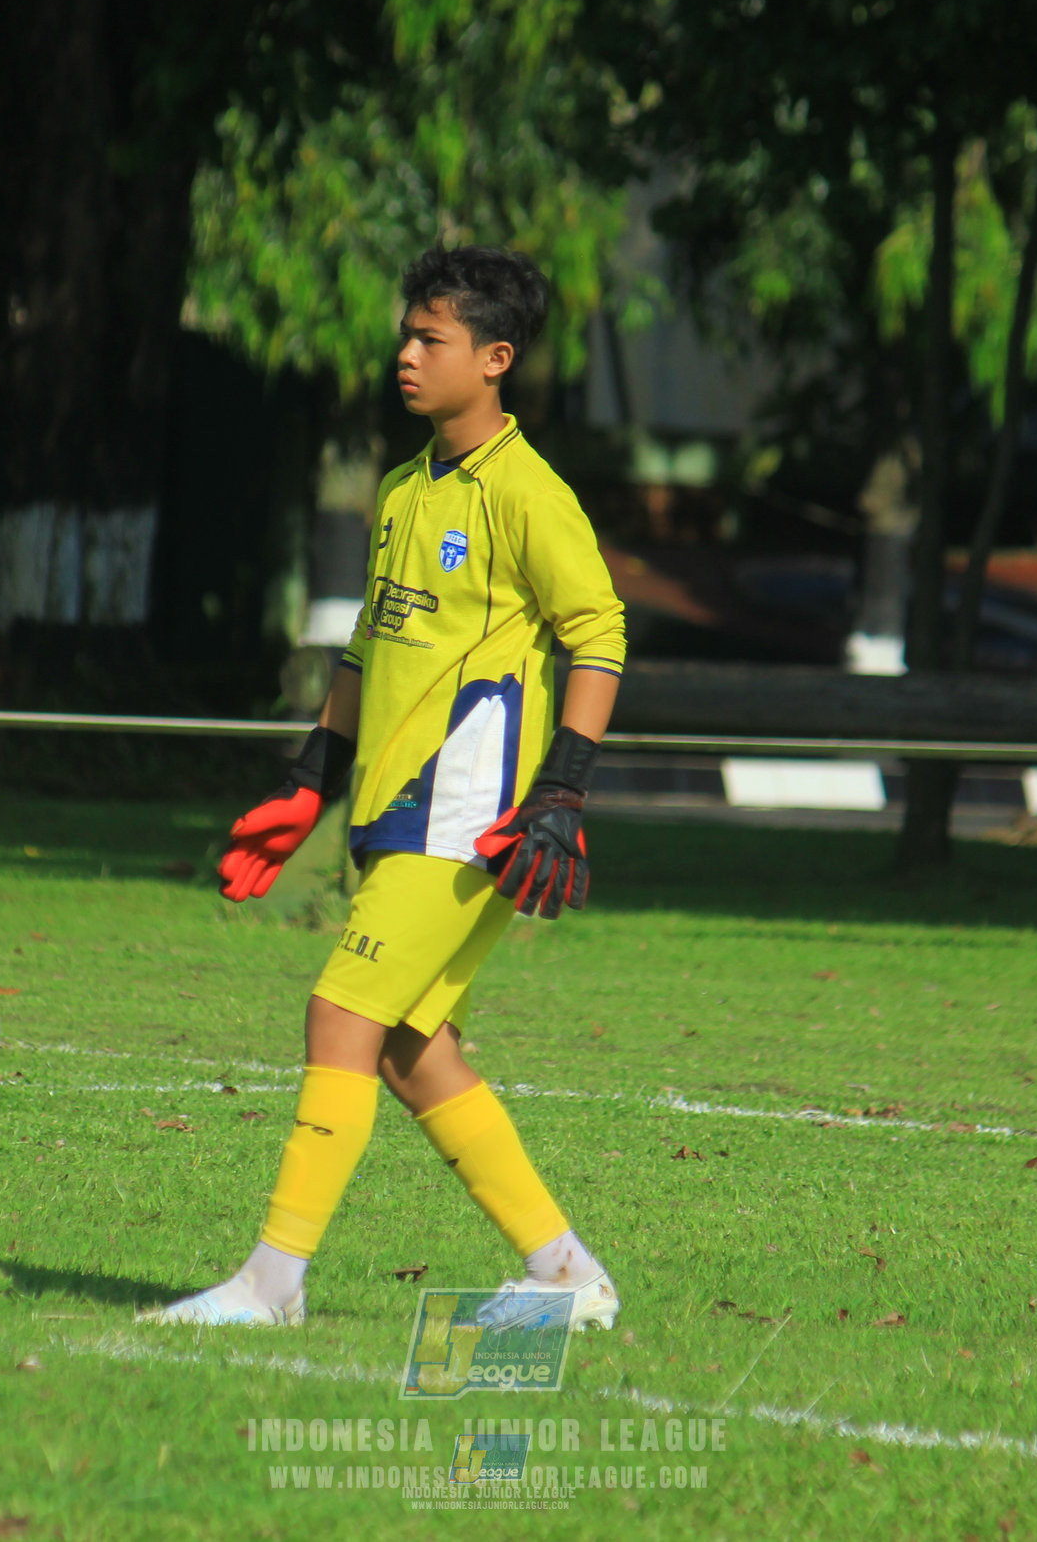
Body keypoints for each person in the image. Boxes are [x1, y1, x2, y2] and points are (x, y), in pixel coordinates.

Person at [139, 245, 626, 1331]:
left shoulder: (528, 493)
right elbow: (368, 646)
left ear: (493, 359)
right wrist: (309, 777)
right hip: (391, 808)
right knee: (412, 1051)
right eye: (406, 334)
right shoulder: (407, 487)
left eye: (430, 339)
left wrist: (565, 786)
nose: (405, 354)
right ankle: (563, 1271)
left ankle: (270, 1284)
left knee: (339, 1013)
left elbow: (599, 631)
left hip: (471, 815)